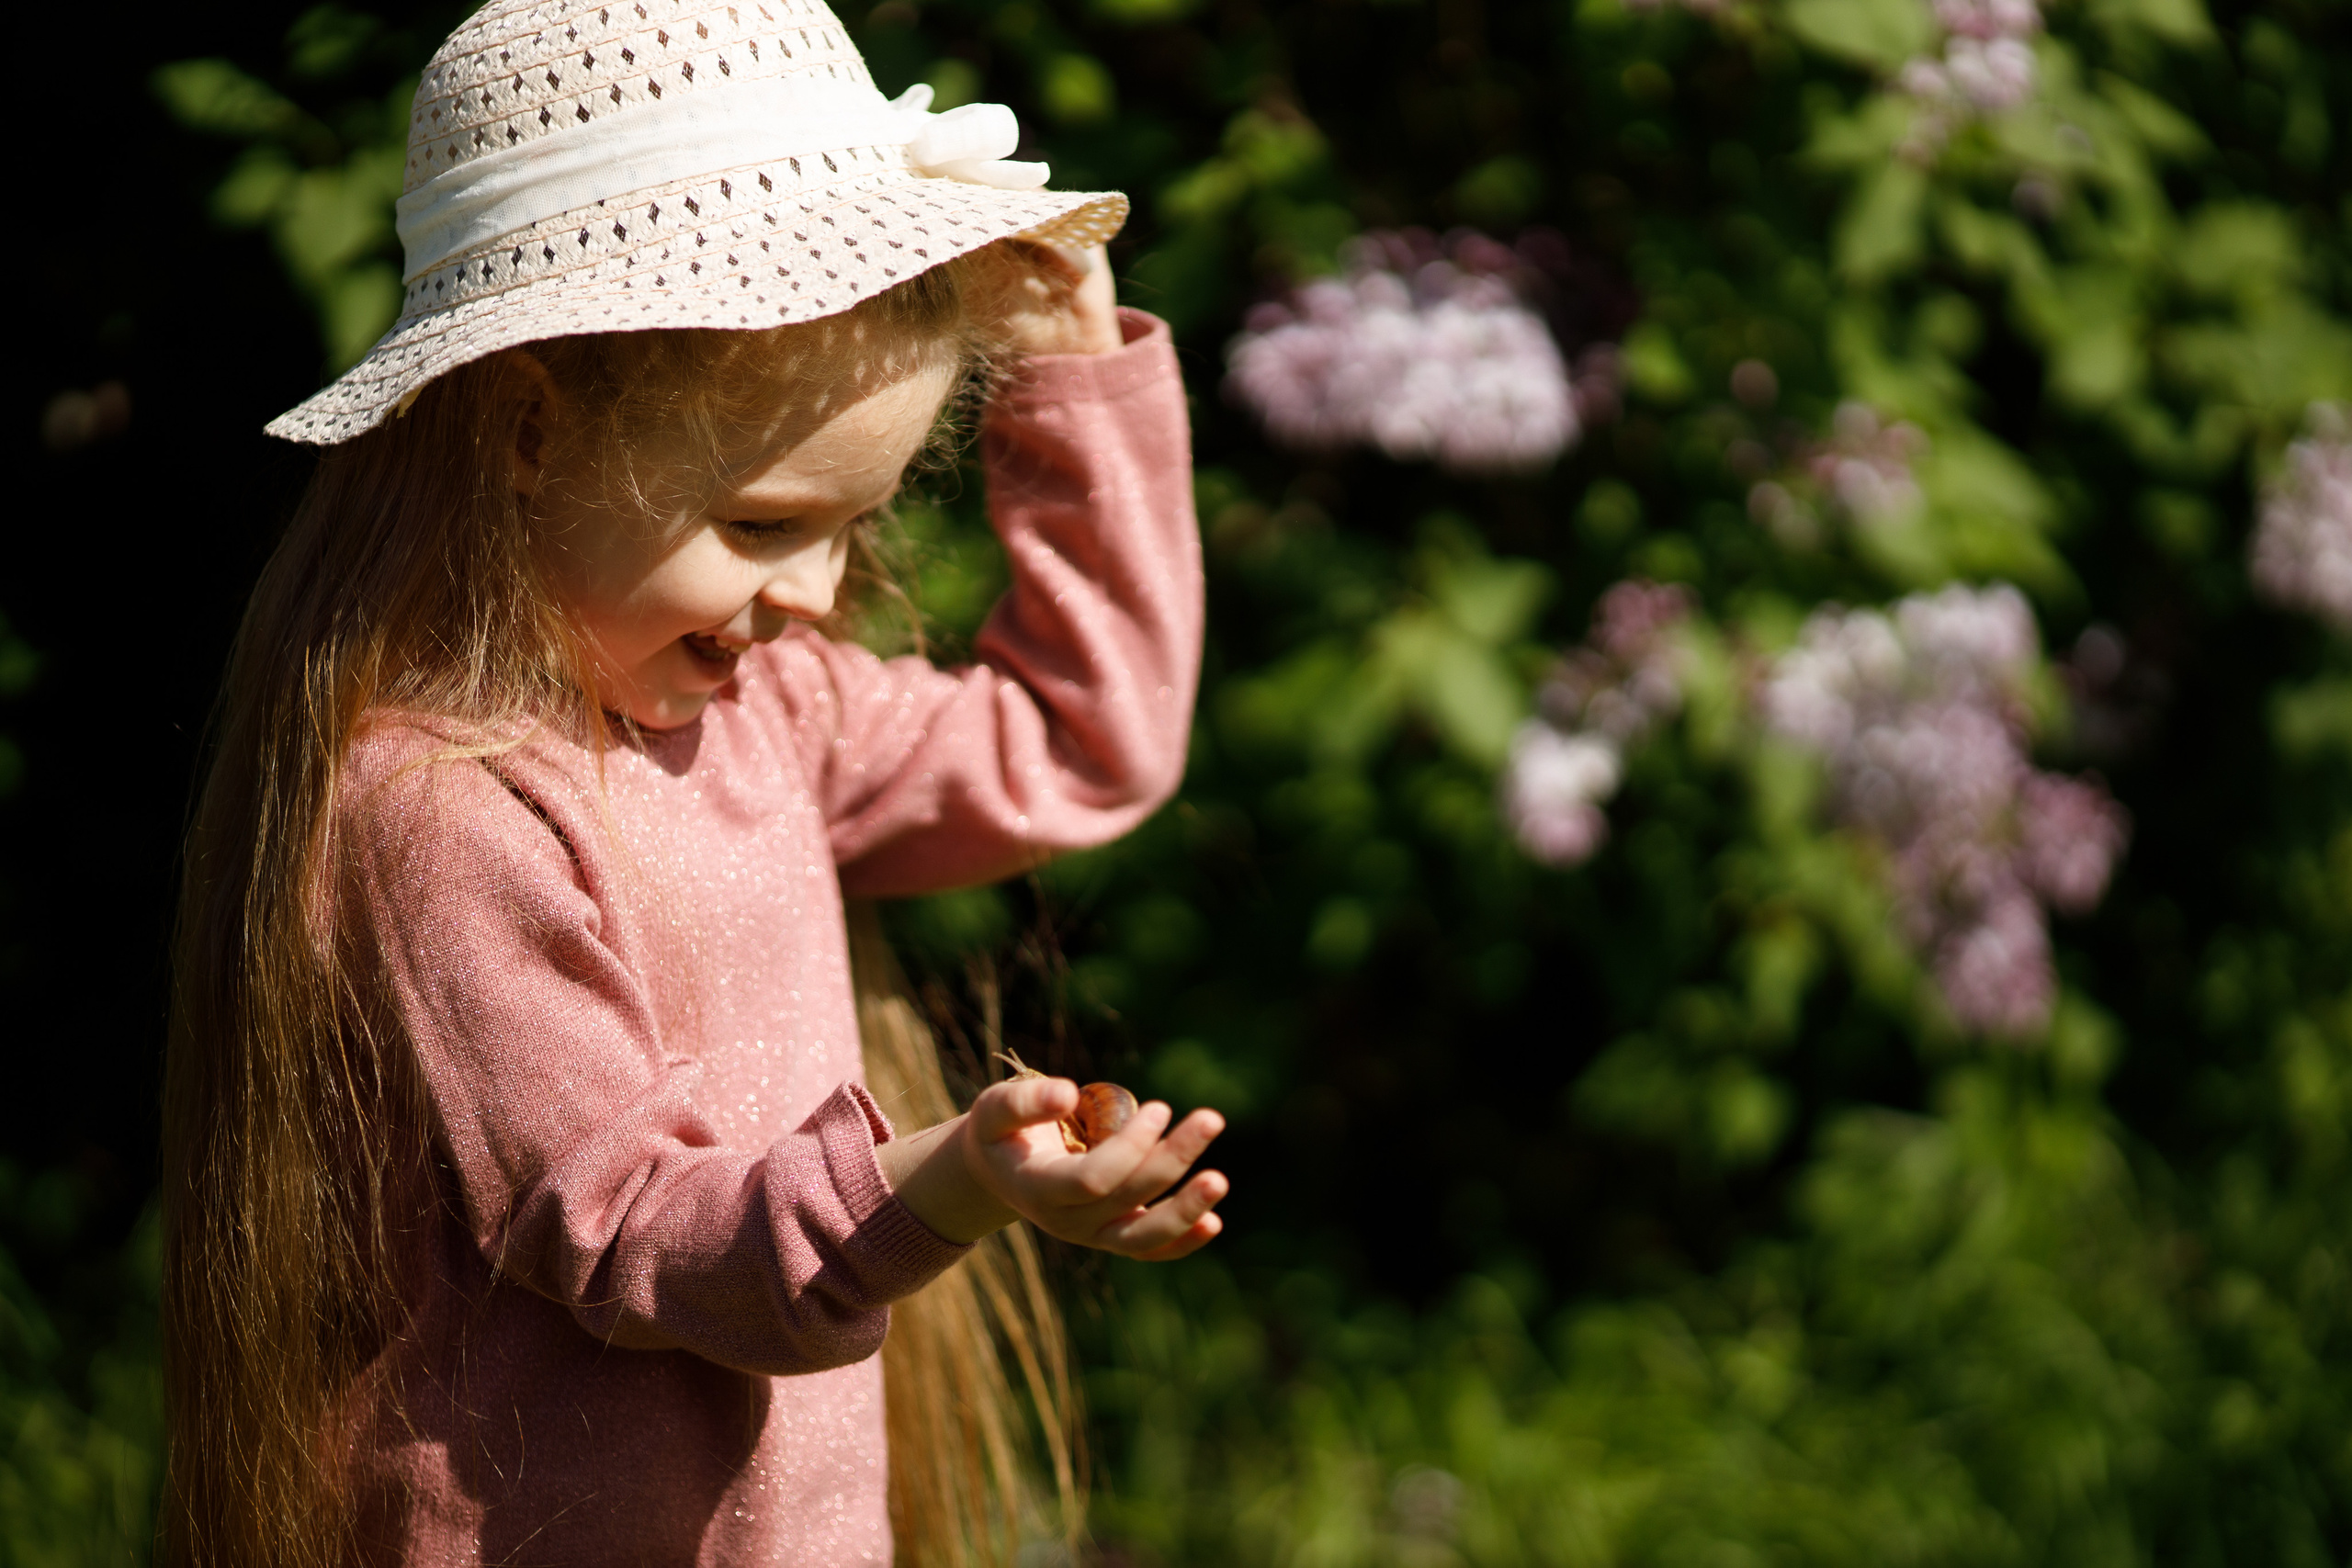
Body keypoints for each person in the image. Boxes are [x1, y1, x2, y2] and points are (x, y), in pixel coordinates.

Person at [160, 3, 1220, 1563]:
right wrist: (944, 1177)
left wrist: (1070, 373)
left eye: (852, 525)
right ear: (525, 434)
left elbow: (1082, 738)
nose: (814, 595)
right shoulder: (446, 809)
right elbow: (633, 1234)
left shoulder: (765, 713)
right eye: (766, 523)